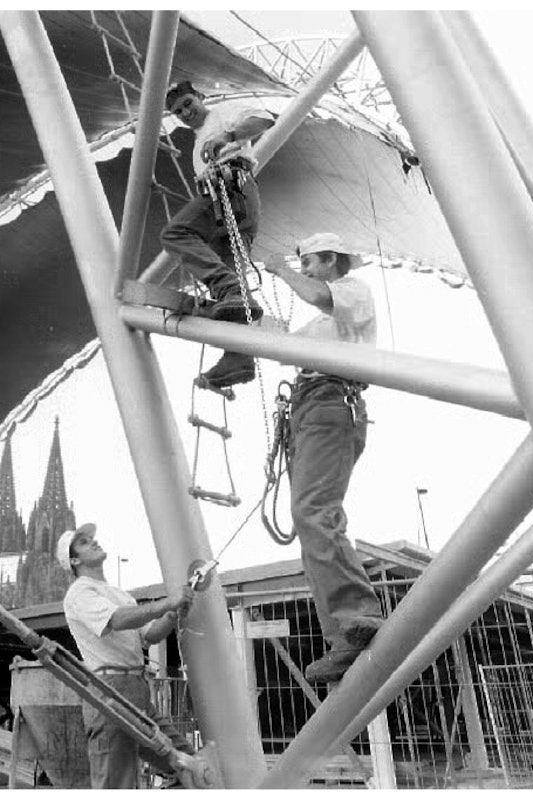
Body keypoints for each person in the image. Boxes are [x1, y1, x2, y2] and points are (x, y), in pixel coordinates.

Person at [263, 233, 385, 683]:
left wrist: (281, 270)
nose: (306, 269)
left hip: (332, 401)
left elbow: (318, 294)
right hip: (310, 406)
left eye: (310, 262)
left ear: (332, 260)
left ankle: (358, 615)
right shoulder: (320, 328)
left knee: (313, 510)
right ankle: (342, 633)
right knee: (308, 516)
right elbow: (282, 346)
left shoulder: (352, 292)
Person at [58, 522, 195, 788]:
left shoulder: (121, 595)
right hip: (110, 692)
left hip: (136, 691)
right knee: (116, 782)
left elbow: (149, 635)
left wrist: (173, 612)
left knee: (187, 763)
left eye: (91, 539)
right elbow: (117, 621)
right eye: (84, 542)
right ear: (74, 560)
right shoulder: (79, 592)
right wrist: (167, 602)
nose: (93, 542)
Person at [161, 81, 275, 388]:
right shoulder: (198, 145)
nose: (186, 112)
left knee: (176, 233)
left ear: (200, 97)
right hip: (228, 199)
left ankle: (230, 291)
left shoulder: (224, 114)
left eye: (188, 103)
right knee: (230, 277)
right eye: (178, 111)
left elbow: (264, 119)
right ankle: (238, 358)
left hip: (231, 189)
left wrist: (229, 135)